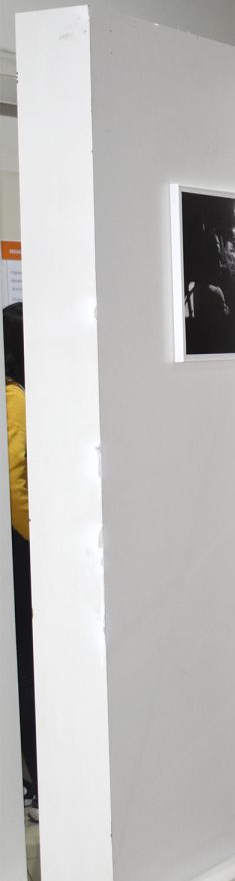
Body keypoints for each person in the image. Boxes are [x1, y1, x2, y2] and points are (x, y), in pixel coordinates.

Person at [4, 303, 35, 822]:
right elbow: (18, 487)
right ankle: (37, 785)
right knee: (30, 670)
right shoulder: (17, 401)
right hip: (26, 552)